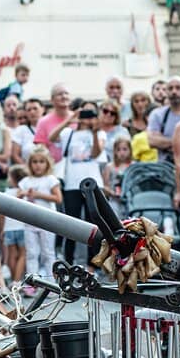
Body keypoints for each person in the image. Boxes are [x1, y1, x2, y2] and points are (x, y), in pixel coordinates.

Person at [50, 100, 105, 265]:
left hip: (93, 183)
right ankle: (68, 262)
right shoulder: (69, 133)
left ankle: (92, 265)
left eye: (91, 114)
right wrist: (71, 119)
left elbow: (96, 153)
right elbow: (52, 137)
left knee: (93, 224)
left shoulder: (99, 133)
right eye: (84, 114)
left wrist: (95, 131)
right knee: (71, 224)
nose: (87, 118)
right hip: (72, 184)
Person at [19, 148, 62, 289]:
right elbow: (18, 196)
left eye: (41, 162)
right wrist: (24, 193)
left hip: (47, 222)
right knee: (31, 253)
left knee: (48, 253)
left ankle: (51, 285)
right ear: (30, 164)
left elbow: (58, 198)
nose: (38, 165)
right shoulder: (25, 181)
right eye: (35, 162)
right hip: (30, 222)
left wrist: (38, 195)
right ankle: (32, 284)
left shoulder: (50, 180)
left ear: (47, 164)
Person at [147, 76, 180, 164]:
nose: (174, 91)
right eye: (170, 88)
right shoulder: (157, 114)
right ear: (166, 92)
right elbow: (152, 141)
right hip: (165, 167)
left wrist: (164, 141)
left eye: (178, 88)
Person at [32, 83, 73, 162]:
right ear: (52, 99)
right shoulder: (43, 122)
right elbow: (41, 149)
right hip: (53, 168)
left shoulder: (77, 118)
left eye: (66, 93)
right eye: (60, 94)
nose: (64, 96)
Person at [3, 165, 28, 286]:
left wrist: (2, 229)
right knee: (23, 254)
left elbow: (2, 213)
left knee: (12, 255)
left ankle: (14, 280)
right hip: (22, 228)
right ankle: (17, 281)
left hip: (9, 228)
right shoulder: (24, 193)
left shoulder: (7, 193)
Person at [103, 136, 134, 218]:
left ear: (130, 150)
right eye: (118, 150)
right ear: (114, 151)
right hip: (115, 201)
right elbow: (105, 187)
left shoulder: (133, 166)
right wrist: (112, 193)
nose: (122, 152)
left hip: (131, 201)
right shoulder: (110, 166)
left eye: (125, 149)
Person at [11, 97, 43, 164]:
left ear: (43, 109)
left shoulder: (51, 128)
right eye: (29, 110)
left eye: (35, 108)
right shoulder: (21, 130)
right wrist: (28, 170)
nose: (32, 112)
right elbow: (15, 155)